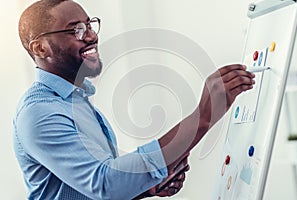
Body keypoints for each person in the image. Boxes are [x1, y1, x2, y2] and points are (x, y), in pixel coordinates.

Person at [13, 0, 256, 199]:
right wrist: (203, 116)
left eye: (89, 25)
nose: (90, 36)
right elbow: (105, 185)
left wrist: (144, 189)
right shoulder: (40, 112)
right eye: (76, 29)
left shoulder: (75, 100)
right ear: (40, 48)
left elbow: (91, 187)